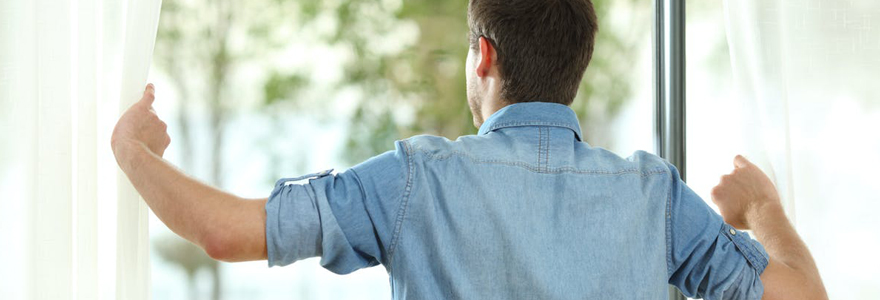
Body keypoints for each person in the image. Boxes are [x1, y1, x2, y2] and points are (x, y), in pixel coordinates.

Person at [111, 0, 827, 299]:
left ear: (483, 56)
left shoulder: (414, 180)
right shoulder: (655, 196)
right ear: (575, 65)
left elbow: (224, 231)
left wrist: (134, 150)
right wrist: (762, 206)